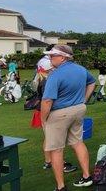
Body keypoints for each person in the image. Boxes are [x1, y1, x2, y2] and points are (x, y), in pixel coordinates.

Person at [41, 45, 95, 190]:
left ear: (63, 57)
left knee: (56, 150)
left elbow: (47, 101)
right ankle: (86, 176)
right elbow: (92, 82)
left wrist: (43, 118)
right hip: (78, 110)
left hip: (59, 114)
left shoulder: (55, 75)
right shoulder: (81, 69)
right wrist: (84, 99)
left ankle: (61, 187)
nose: (50, 58)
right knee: (77, 142)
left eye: (53, 55)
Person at [33, 54, 77, 174]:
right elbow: (48, 100)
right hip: (46, 111)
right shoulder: (47, 81)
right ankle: (57, 163)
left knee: (49, 138)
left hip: (43, 110)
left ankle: (48, 161)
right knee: (54, 140)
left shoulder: (43, 80)